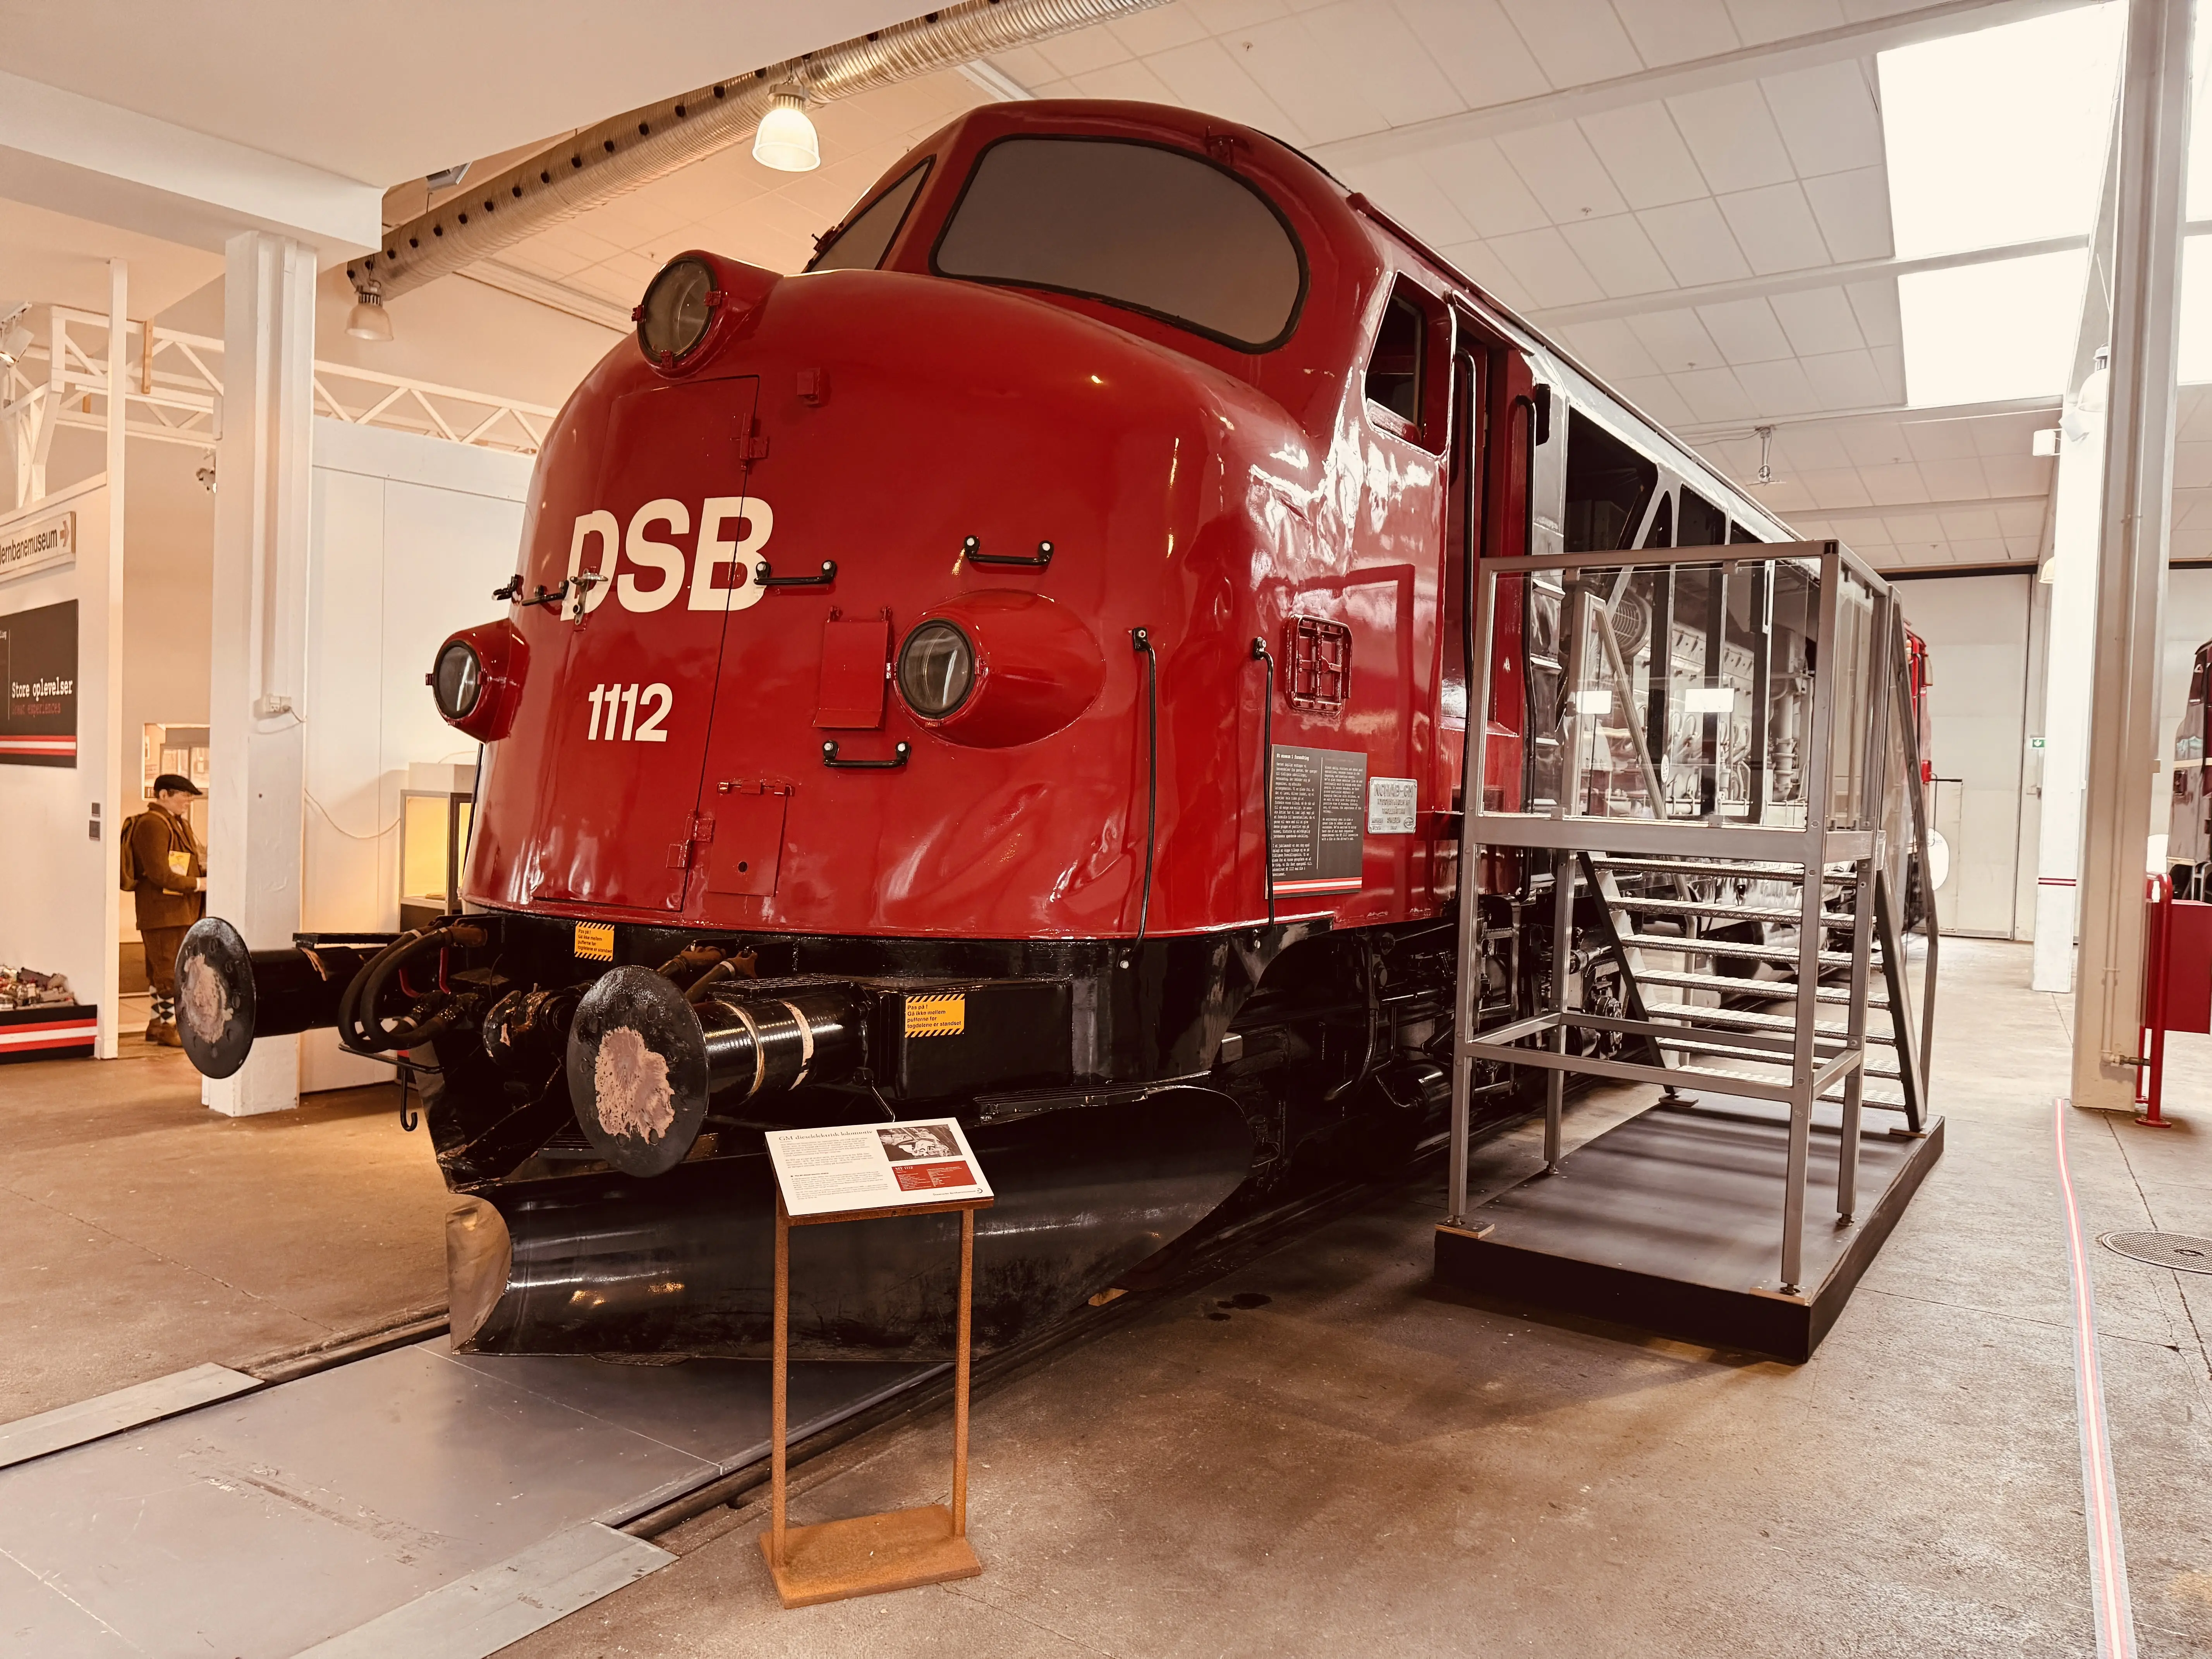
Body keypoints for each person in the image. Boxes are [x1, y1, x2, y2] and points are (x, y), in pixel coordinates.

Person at [131, 774, 206, 1047]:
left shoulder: (176, 823)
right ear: (163, 795)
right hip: (163, 914)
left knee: (164, 969)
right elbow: (160, 874)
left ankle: (156, 1024)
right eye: (183, 795)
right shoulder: (152, 824)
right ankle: (169, 1026)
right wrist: (200, 884)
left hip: (179, 910)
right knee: (167, 972)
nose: (188, 801)